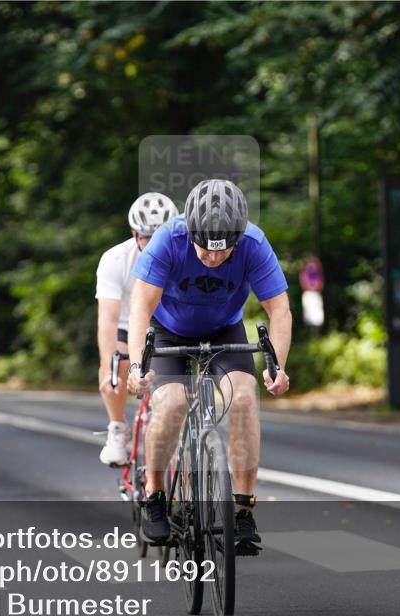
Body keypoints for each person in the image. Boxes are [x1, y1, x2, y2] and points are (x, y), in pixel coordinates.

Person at [126, 179, 292, 554]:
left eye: (223, 251)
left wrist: (276, 364)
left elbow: (278, 308)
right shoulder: (168, 239)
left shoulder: (253, 243)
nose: (214, 258)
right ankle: (155, 493)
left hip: (223, 329)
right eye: (205, 250)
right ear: (190, 231)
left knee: (246, 399)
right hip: (169, 330)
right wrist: (137, 365)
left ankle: (243, 508)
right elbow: (140, 306)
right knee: (172, 405)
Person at [95, 193, 179, 466]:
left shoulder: (183, 254)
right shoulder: (115, 259)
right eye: (146, 237)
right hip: (126, 323)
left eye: (161, 236)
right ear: (134, 234)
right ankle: (118, 428)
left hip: (167, 324)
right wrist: (109, 365)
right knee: (116, 365)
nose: (154, 244)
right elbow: (108, 319)